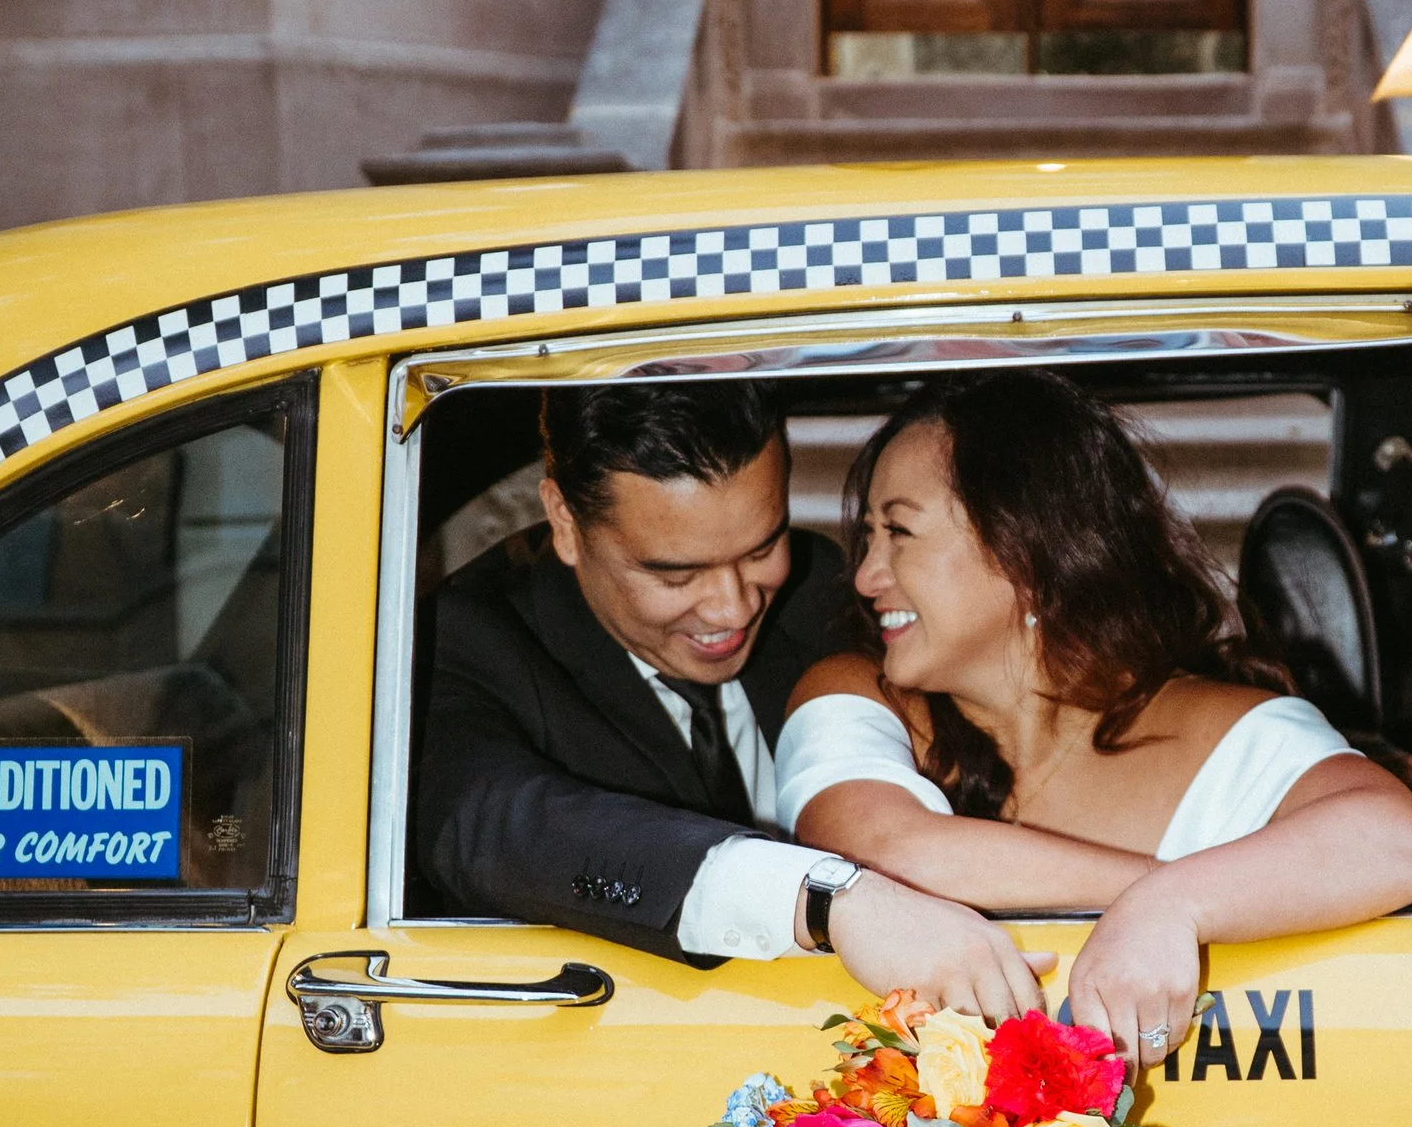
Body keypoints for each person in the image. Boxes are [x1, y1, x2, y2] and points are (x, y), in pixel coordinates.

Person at [773, 374, 1412, 1067]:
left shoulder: (1231, 730)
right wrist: (1171, 892)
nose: (865, 576)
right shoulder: (851, 693)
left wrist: (1180, 904)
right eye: (868, 537)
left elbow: (1400, 844)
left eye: (899, 532)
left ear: (1024, 550)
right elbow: (892, 854)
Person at [415, 379, 1052, 1015]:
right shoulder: (457, 640)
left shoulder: (818, 594)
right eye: (675, 572)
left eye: (762, 547)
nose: (735, 606)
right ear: (566, 523)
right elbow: (494, 827)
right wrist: (830, 900)